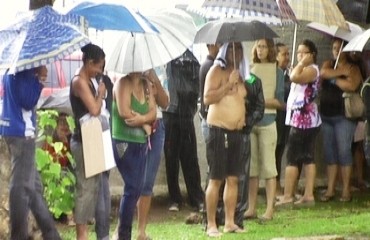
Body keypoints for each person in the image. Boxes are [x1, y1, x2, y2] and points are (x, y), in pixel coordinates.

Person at [0, 66, 62, 240]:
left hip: (11, 129)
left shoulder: (12, 68)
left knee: (34, 188)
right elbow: (28, 100)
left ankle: (52, 234)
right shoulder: (25, 71)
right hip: (22, 133)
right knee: (20, 188)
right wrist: (39, 79)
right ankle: (18, 236)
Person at [204, 42, 247, 237]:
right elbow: (207, 98)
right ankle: (211, 224)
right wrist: (228, 84)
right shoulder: (216, 70)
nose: (235, 52)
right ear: (224, 50)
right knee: (216, 178)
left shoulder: (240, 73)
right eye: (231, 48)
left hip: (236, 132)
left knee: (233, 178)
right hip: (218, 130)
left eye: (238, 48)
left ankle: (230, 221)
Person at [69, 43, 110, 240]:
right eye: (98, 66)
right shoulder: (79, 81)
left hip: (93, 136)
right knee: (85, 190)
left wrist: (99, 93)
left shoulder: (90, 80)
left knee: (97, 187)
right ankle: (81, 234)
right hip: (84, 140)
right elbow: (94, 109)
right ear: (89, 63)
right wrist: (101, 93)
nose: (100, 71)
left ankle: (100, 234)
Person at [111, 69, 156, 240]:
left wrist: (143, 120)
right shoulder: (123, 83)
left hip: (141, 144)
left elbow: (153, 111)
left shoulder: (146, 85)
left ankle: (123, 233)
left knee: (136, 188)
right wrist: (142, 123)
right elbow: (124, 112)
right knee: (132, 188)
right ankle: (123, 235)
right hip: (123, 143)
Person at [275, 39, 321, 207]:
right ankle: (305, 195)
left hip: (304, 120)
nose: (299, 55)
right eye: (298, 52)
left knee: (293, 157)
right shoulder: (305, 68)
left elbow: (294, 77)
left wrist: (301, 63)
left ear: (312, 55)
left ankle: (289, 195)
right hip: (300, 118)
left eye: (304, 52)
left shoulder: (312, 69)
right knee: (306, 157)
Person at [243, 38, 284, 221]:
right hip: (252, 123)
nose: (261, 50)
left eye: (264, 46)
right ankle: (251, 208)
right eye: (258, 46)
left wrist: (259, 101)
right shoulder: (250, 71)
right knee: (252, 169)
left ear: (270, 49)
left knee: (269, 167)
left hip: (268, 122)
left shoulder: (277, 72)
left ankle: (269, 209)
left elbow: (280, 102)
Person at [319, 38, 363, 202]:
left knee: (344, 151)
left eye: (340, 48)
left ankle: (346, 190)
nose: (336, 51)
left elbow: (351, 86)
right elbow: (323, 73)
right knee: (330, 153)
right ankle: (330, 189)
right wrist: (341, 74)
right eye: (334, 48)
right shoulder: (328, 63)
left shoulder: (354, 67)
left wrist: (333, 78)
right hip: (326, 115)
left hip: (344, 116)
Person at [163, 49, 204, 212]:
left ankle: (196, 198)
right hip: (169, 112)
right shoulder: (162, 58)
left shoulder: (190, 59)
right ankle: (174, 198)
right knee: (171, 158)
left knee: (190, 158)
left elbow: (195, 87)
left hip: (185, 113)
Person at [136, 68, 169, 240]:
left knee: (148, 181)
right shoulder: (130, 68)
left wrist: (154, 78)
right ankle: (122, 226)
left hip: (157, 126)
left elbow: (165, 102)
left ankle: (141, 231)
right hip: (134, 127)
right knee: (133, 182)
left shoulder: (158, 68)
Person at [275, 42, 292, 196]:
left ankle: (278, 183)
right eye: (284, 54)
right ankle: (275, 185)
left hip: (286, 119)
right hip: (275, 117)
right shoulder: (273, 73)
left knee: (280, 151)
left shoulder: (289, 74)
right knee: (275, 152)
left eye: (288, 54)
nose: (287, 57)